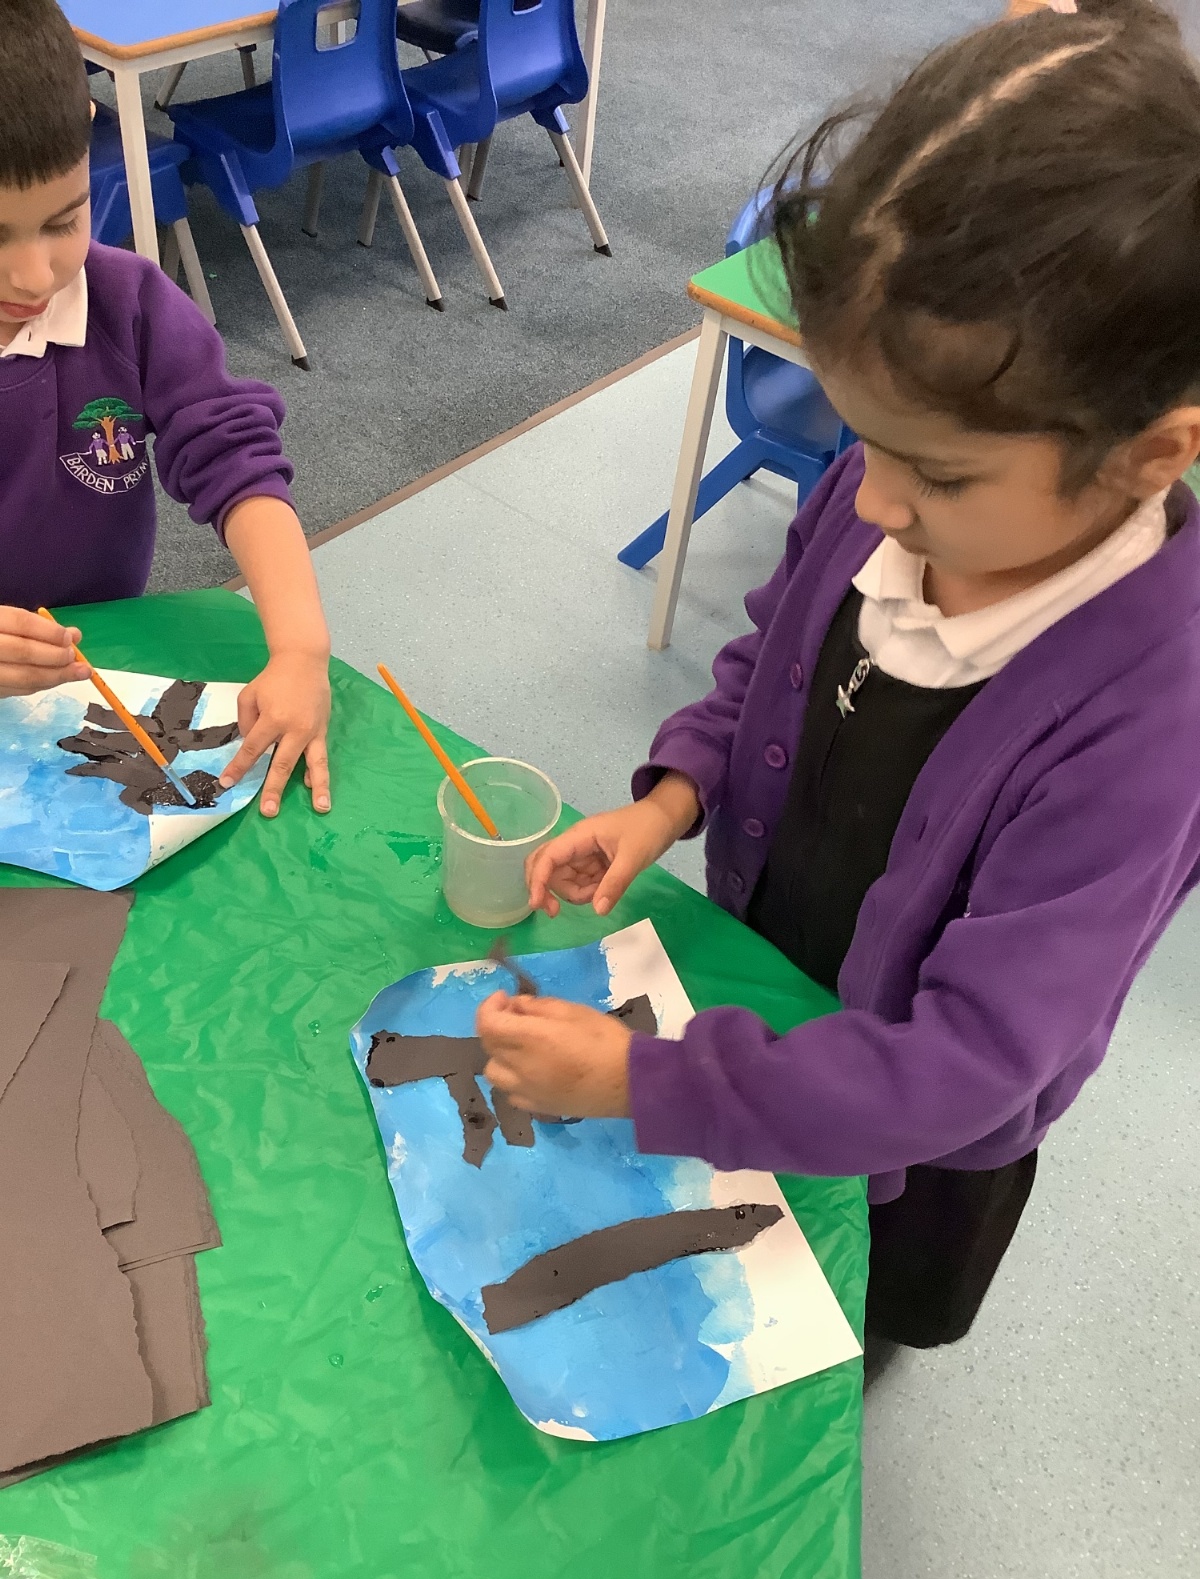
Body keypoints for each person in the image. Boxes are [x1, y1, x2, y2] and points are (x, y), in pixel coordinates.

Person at [477, 0, 1200, 1372]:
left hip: (918, 1143)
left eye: (938, 473)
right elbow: (770, 664)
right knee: (727, 1246)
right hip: (770, 975)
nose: (870, 500)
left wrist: (644, 1082)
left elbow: (965, 1063)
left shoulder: (1153, 723)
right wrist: (674, 796)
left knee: (831, 1328)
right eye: (860, 439)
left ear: (1147, 457)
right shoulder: (889, 491)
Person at [0, 0, 331, 818]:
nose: (35, 278)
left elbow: (236, 460)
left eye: (64, 220)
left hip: (94, 672)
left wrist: (300, 650)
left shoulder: (130, 304)